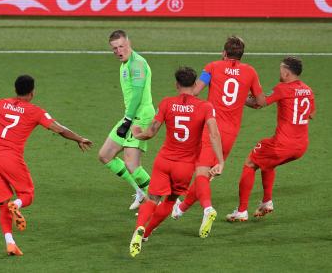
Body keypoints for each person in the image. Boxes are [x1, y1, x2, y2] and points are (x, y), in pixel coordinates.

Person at [0, 75, 92, 256]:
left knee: (3, 203)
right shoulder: (35, 111)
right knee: (27, 194)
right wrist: (79, 138)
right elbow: (59, 129)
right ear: (32, 92)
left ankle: (10, 243)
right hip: (11, 159)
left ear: (15, 89)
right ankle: (17, 204)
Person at [172, 36, 264, 235]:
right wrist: (242, 99)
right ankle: (179, 209)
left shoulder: (213, 67)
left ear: (224, 53)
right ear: (241, 55)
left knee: (202, 172)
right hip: (231, 132)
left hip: (211, 128)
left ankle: (205, 209)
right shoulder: (250, 72)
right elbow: (259, 102)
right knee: (208, 174)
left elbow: (195, 90)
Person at [128, 67, 224, 258]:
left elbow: (151, 131)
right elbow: (214, 134)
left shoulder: (167, 103)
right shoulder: (205, 107)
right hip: (185, 165)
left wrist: (137, 132)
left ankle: (139, 230)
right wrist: (220, 161)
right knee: (170, 200)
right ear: (195, 84)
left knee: (152, 198)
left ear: (177, 84)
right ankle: (146, 234)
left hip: (163, 161)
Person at [226, 57, 316, 222]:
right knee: (267, 162)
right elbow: (311, 114)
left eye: (281, 69)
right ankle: (267, 202)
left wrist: (239, 97)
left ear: (286, 72)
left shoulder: (283, 88)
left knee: (250, 162)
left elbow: (258, 103)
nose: (279, 72)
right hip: (301, 146)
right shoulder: (308, 90)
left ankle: (241, 211)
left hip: (282, 144)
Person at [98, 30, 154, 210]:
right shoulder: (125, 63)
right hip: (130, 116)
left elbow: (137, 94)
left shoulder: (137, 64)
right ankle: (139, 191)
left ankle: (164, 202)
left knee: (131, 164)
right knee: (105, 155)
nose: (119, 51)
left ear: (129, 43)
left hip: (140, 116)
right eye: (115, 48)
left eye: (121, 46)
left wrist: (128, 119)